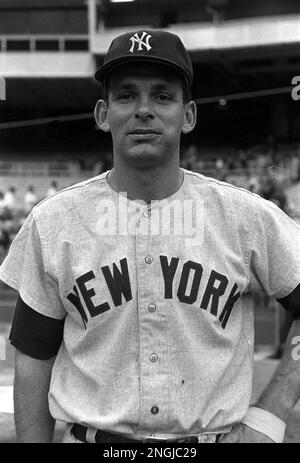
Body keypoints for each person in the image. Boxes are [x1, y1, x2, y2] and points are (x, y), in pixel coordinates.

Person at [0, 29, 300, 444]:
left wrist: (269, 418)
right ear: (103, 114)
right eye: (126, 96)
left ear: (188, 114)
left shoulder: (245, 217)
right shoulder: (52, 223)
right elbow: (34, 357)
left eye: (162, 96)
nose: (144, 110)